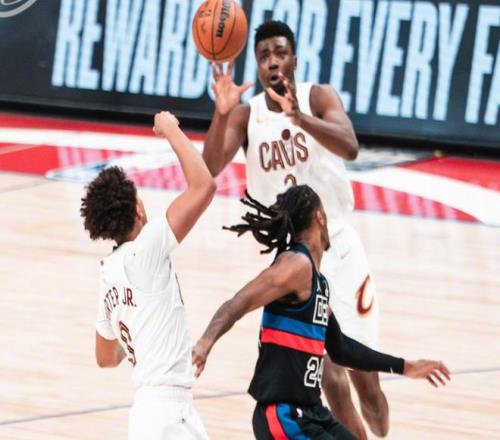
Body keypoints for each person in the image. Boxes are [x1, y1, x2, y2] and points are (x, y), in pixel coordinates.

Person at [202, 20, 387, 439]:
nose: (272, 62)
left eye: (280, 53)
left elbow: (350, 145)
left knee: (368, 389)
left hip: (340, 251)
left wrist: (299, 118)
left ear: (295, 60)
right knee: (329, 376)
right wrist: (222, 112)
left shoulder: (318, 97)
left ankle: (378, 427)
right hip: (295, 263)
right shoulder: (247, 116)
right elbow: (209, 167)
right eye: (264, 55)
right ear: (257, 64)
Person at [192, 185, 450, 440]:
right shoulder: (296, 265)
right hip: (284, 416)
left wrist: (405, 366)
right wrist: (205, 342)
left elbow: (342, 350)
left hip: (311, 413)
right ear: (320, 217)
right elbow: (240, 301)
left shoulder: (319, 283)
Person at [80, 111, 216, 440]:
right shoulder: (148, 248)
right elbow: (204, 186)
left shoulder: (109, 274)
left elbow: (104, 357)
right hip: (169, 415)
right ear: (139, 210)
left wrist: (141, 338)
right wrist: (171, 129)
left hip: (145, 414)